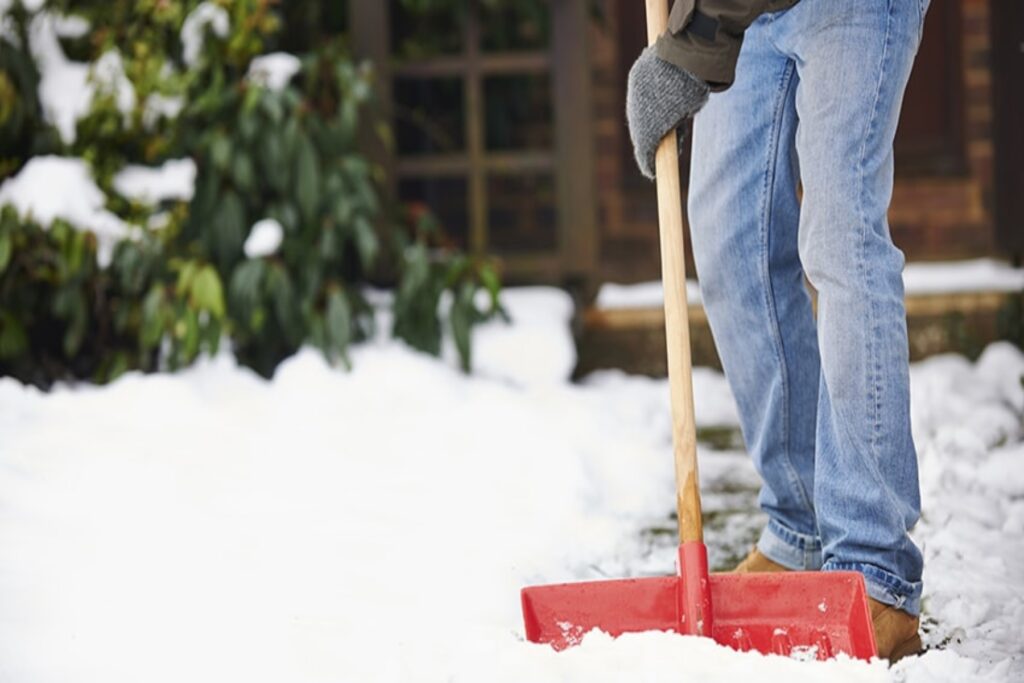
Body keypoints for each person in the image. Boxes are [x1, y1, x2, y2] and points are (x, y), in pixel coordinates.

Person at [626, 0, 930, 662]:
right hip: (744, 15)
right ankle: (801, 529)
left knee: (840, 238)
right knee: (729, 238)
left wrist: (689, 43)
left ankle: (873, 569)